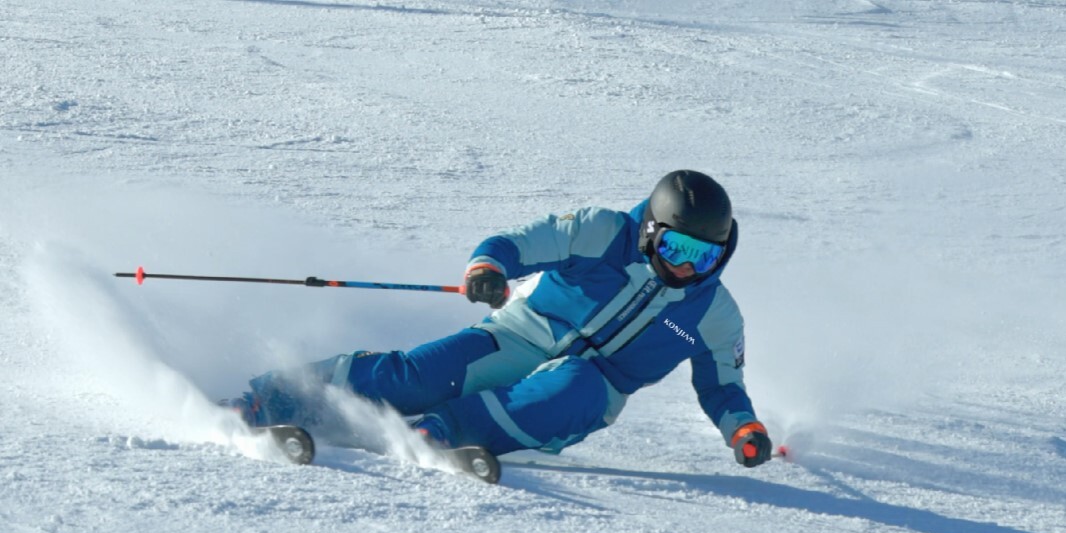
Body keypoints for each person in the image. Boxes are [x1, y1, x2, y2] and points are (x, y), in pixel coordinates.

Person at [228, 170, 772, 468]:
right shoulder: (602, 231)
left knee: (574, 389)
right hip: (521, 333)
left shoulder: (713, 315)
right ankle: (269, 398)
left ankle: (442, 430)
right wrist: (489, 268)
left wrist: (742, 428)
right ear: (652, 230)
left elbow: (722, 386)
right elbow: (516, 244)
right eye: (676, 247)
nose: (685, 266)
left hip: (594, 382)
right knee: (417, 376)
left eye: (704, 256)